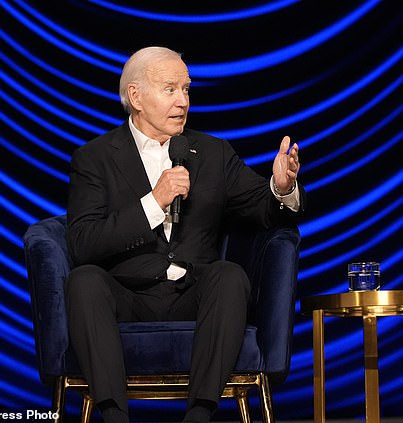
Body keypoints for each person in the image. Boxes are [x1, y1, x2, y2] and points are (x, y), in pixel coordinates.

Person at [65, 46, 305, 423]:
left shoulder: (213, 152)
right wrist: (153, 202)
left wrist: (280, 185)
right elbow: (83, 243)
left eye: (187, 90)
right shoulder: (94, 158)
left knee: (229, 276)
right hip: (127, 293)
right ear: (136, 97)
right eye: (170, 89)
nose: (183, 101)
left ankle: (199, 412)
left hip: (194, 293)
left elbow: (264, 209)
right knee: (83, 281)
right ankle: (112, 415)